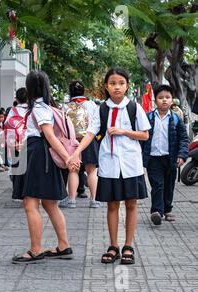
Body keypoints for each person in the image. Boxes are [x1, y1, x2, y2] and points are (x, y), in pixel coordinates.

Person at [68, 68, 151, 265]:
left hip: (131, 164)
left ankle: (128, 245)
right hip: (110, 163)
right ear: (106, 86)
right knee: (112, 205)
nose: (117, 87)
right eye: (113, 83)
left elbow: (145, 134)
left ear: (127, 85)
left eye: (121, 83)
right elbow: (90, 133)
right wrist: (76, 152)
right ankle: (113, 245)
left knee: (131, 204)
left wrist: (123, 131)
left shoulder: (134, 107)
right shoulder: (101, 109)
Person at [11, 71, 72, 264]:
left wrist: (68, 158)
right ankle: (63, 245)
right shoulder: (47, 106)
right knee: (49, 203)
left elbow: (49, 135)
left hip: (38, 156)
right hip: (39, 153)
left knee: (31, 204)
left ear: (29, 88)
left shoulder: (38, 108)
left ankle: (36, 249)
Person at [142, 85, 189, 225]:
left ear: (171, 100)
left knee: (169, 185)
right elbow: (141, 138)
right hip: (153, 158)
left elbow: (184, 138)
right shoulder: (148, 117)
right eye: (160, 97)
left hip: (171, 158)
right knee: (158, 184)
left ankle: (167, 209)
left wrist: (182, 155)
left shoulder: (175, 119)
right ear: (155, 100)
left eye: (167, 97)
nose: (164, 100)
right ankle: (157, 211)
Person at [64, 80, 100, 208]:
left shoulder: (65, 107)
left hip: (72, 142)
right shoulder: (92, 105)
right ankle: (94, 200)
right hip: (89, 141)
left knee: (73, 170)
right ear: (83, 91)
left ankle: (72, 200)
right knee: (92, 171)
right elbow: (97, 124)